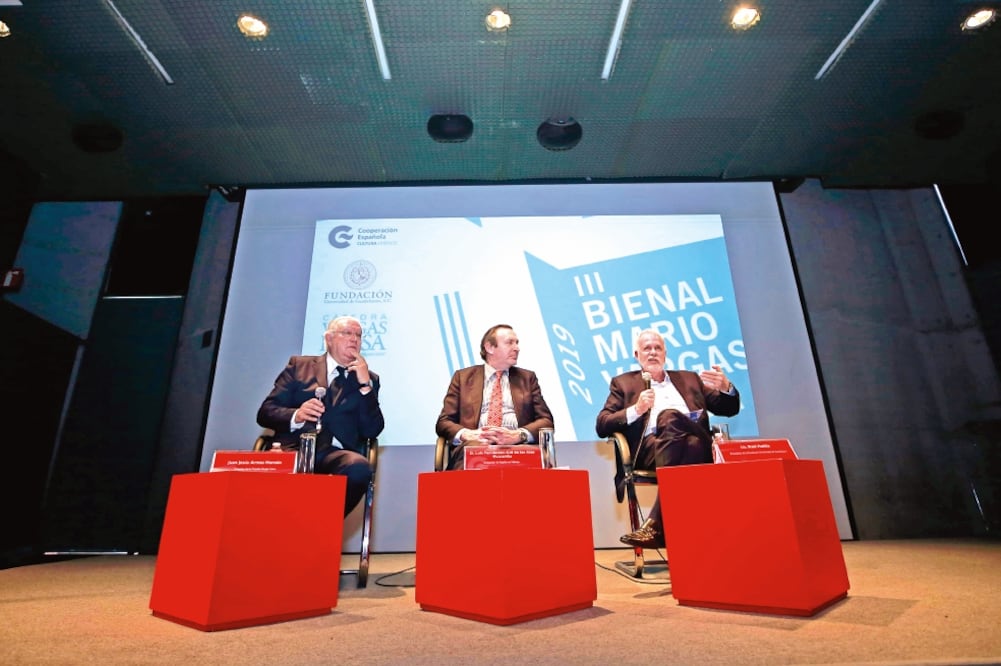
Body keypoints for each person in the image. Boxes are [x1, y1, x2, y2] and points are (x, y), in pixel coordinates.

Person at [596, 328, 740, 548]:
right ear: (637, 355)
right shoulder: (623, 383)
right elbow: (602, 424)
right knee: (687, 441)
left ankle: (655, 524)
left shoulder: (689, 379)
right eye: (647, 348)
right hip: (652, 451)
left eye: (658, 348)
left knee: (670, 418)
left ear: (665, 353)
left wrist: (726, 388)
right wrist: (637, 409)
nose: (653, 352)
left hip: (700, 442)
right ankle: (685, 541)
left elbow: (729, 409)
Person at [257, 315, 385, 516]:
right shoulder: (299, 366)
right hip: (293, 448)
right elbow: (266, 412)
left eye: (359, 335)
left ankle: (323, 522)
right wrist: (297, 415)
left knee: (359, 468)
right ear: (329, 338)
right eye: (347, 333)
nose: (354, 339)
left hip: (335, 454)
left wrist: (365, 386)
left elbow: (372, 430)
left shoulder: (369, 379)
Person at [435, 324, 554, 470]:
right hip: (475, 448)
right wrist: (467, 434)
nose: (517, 348)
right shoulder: (463, 378)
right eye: (510, 343)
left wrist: (518, 435)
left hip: (518, 449)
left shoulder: (527, 378)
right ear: (490, 347)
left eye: (517, 343)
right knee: (474, 453)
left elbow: (546, 421)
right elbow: (444, 422)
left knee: (532, 458)